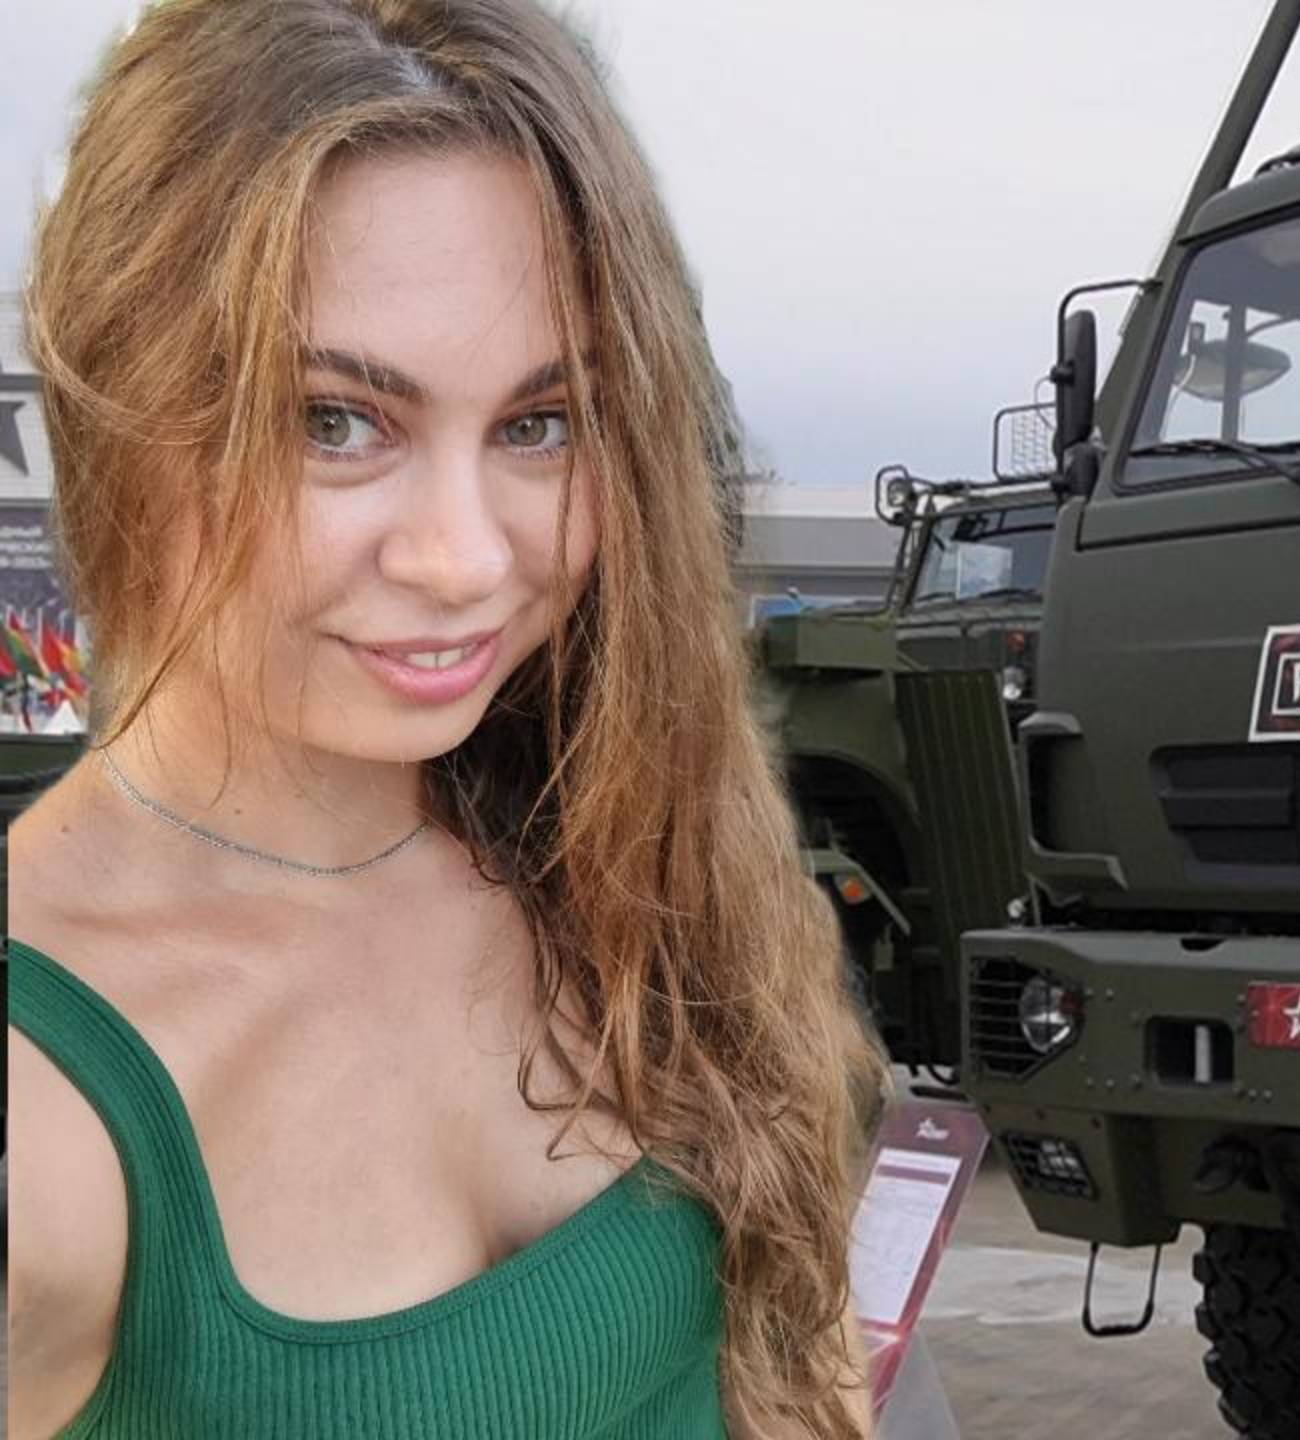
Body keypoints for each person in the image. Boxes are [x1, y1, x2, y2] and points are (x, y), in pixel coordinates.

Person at [4, 2, 886, 1436]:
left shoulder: (632, 863)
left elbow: (801, 1371)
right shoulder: (45, 1085)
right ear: (117, 405)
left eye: (540, 424)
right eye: (334, 421)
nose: (465, 559)